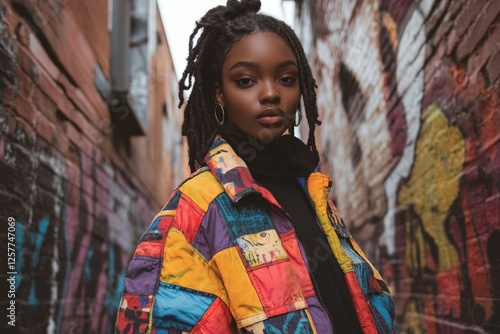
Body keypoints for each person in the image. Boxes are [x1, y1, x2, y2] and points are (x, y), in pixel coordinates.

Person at [115, 0, 395, 333]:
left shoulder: (315, 193)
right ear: (219, 95)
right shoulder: (196, 210)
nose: (271, 93)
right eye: (247, 80)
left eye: (287, 79)